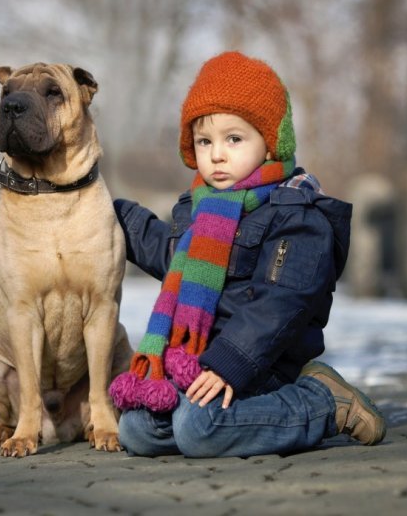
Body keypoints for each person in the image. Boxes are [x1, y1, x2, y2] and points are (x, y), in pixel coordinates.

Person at [109, 51, 386, 458]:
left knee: (198, 430)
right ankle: (206, 415)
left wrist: (230, 363)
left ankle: (323, 402)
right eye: (205, 141)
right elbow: (170, 255)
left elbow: (281, 304)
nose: (217, 154)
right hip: (200, 365)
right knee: (136, 430)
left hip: (263, 363)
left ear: (271, 142)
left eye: (233, 139)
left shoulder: (295, 214)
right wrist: (110, 213)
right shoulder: (202, 208)